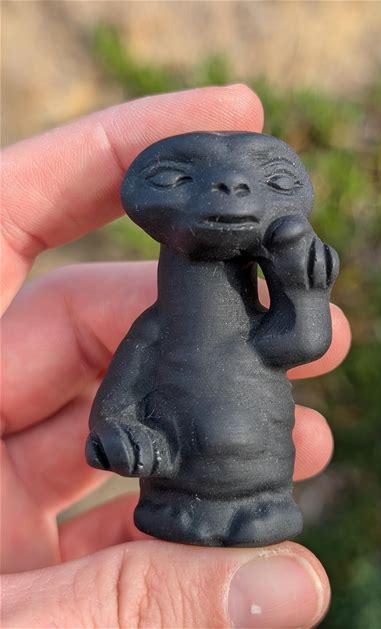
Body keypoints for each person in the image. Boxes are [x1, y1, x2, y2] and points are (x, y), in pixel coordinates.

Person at [0, 85, 351, 629]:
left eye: (268, 180)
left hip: (265, 498)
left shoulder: (255, 324)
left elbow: (301, 343)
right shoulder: (158, 328)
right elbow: (117, 398)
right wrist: (117, 430)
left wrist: (304, 296)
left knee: (259, 520)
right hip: (173, 498)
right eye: (179, 178)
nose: (230, 185)